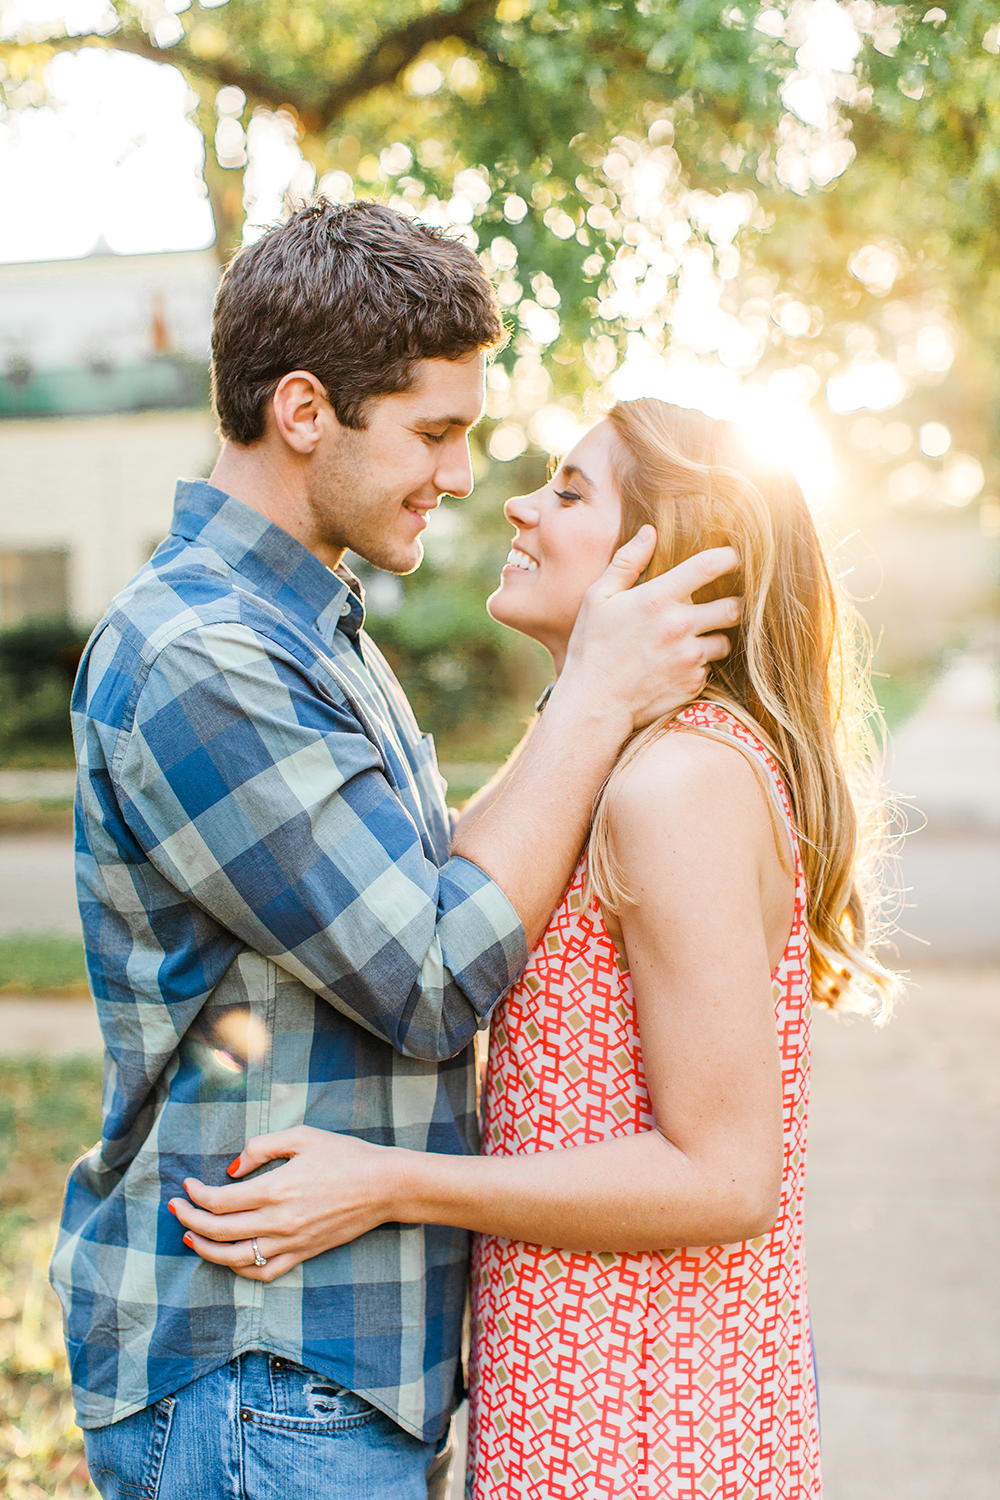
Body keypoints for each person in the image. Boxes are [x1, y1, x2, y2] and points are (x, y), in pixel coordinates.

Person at [52, 201, 742, 1500]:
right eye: (433, 432)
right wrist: (592, 698)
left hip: (329, 1366)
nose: (464, 475)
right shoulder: (204, 656)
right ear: (304, 411)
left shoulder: (312, 629)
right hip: (259, 1360)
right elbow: (430, 973)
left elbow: (433, 882)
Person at [173, 398, 900, 1499]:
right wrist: (589, 698)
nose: (514, 503)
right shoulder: (616, 760)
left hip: (651, 1428)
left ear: (664, 556)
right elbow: (446, 908)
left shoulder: (677, 785)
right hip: (584, 1408)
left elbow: (726, 1176)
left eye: (568, 491)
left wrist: (388, 1184)